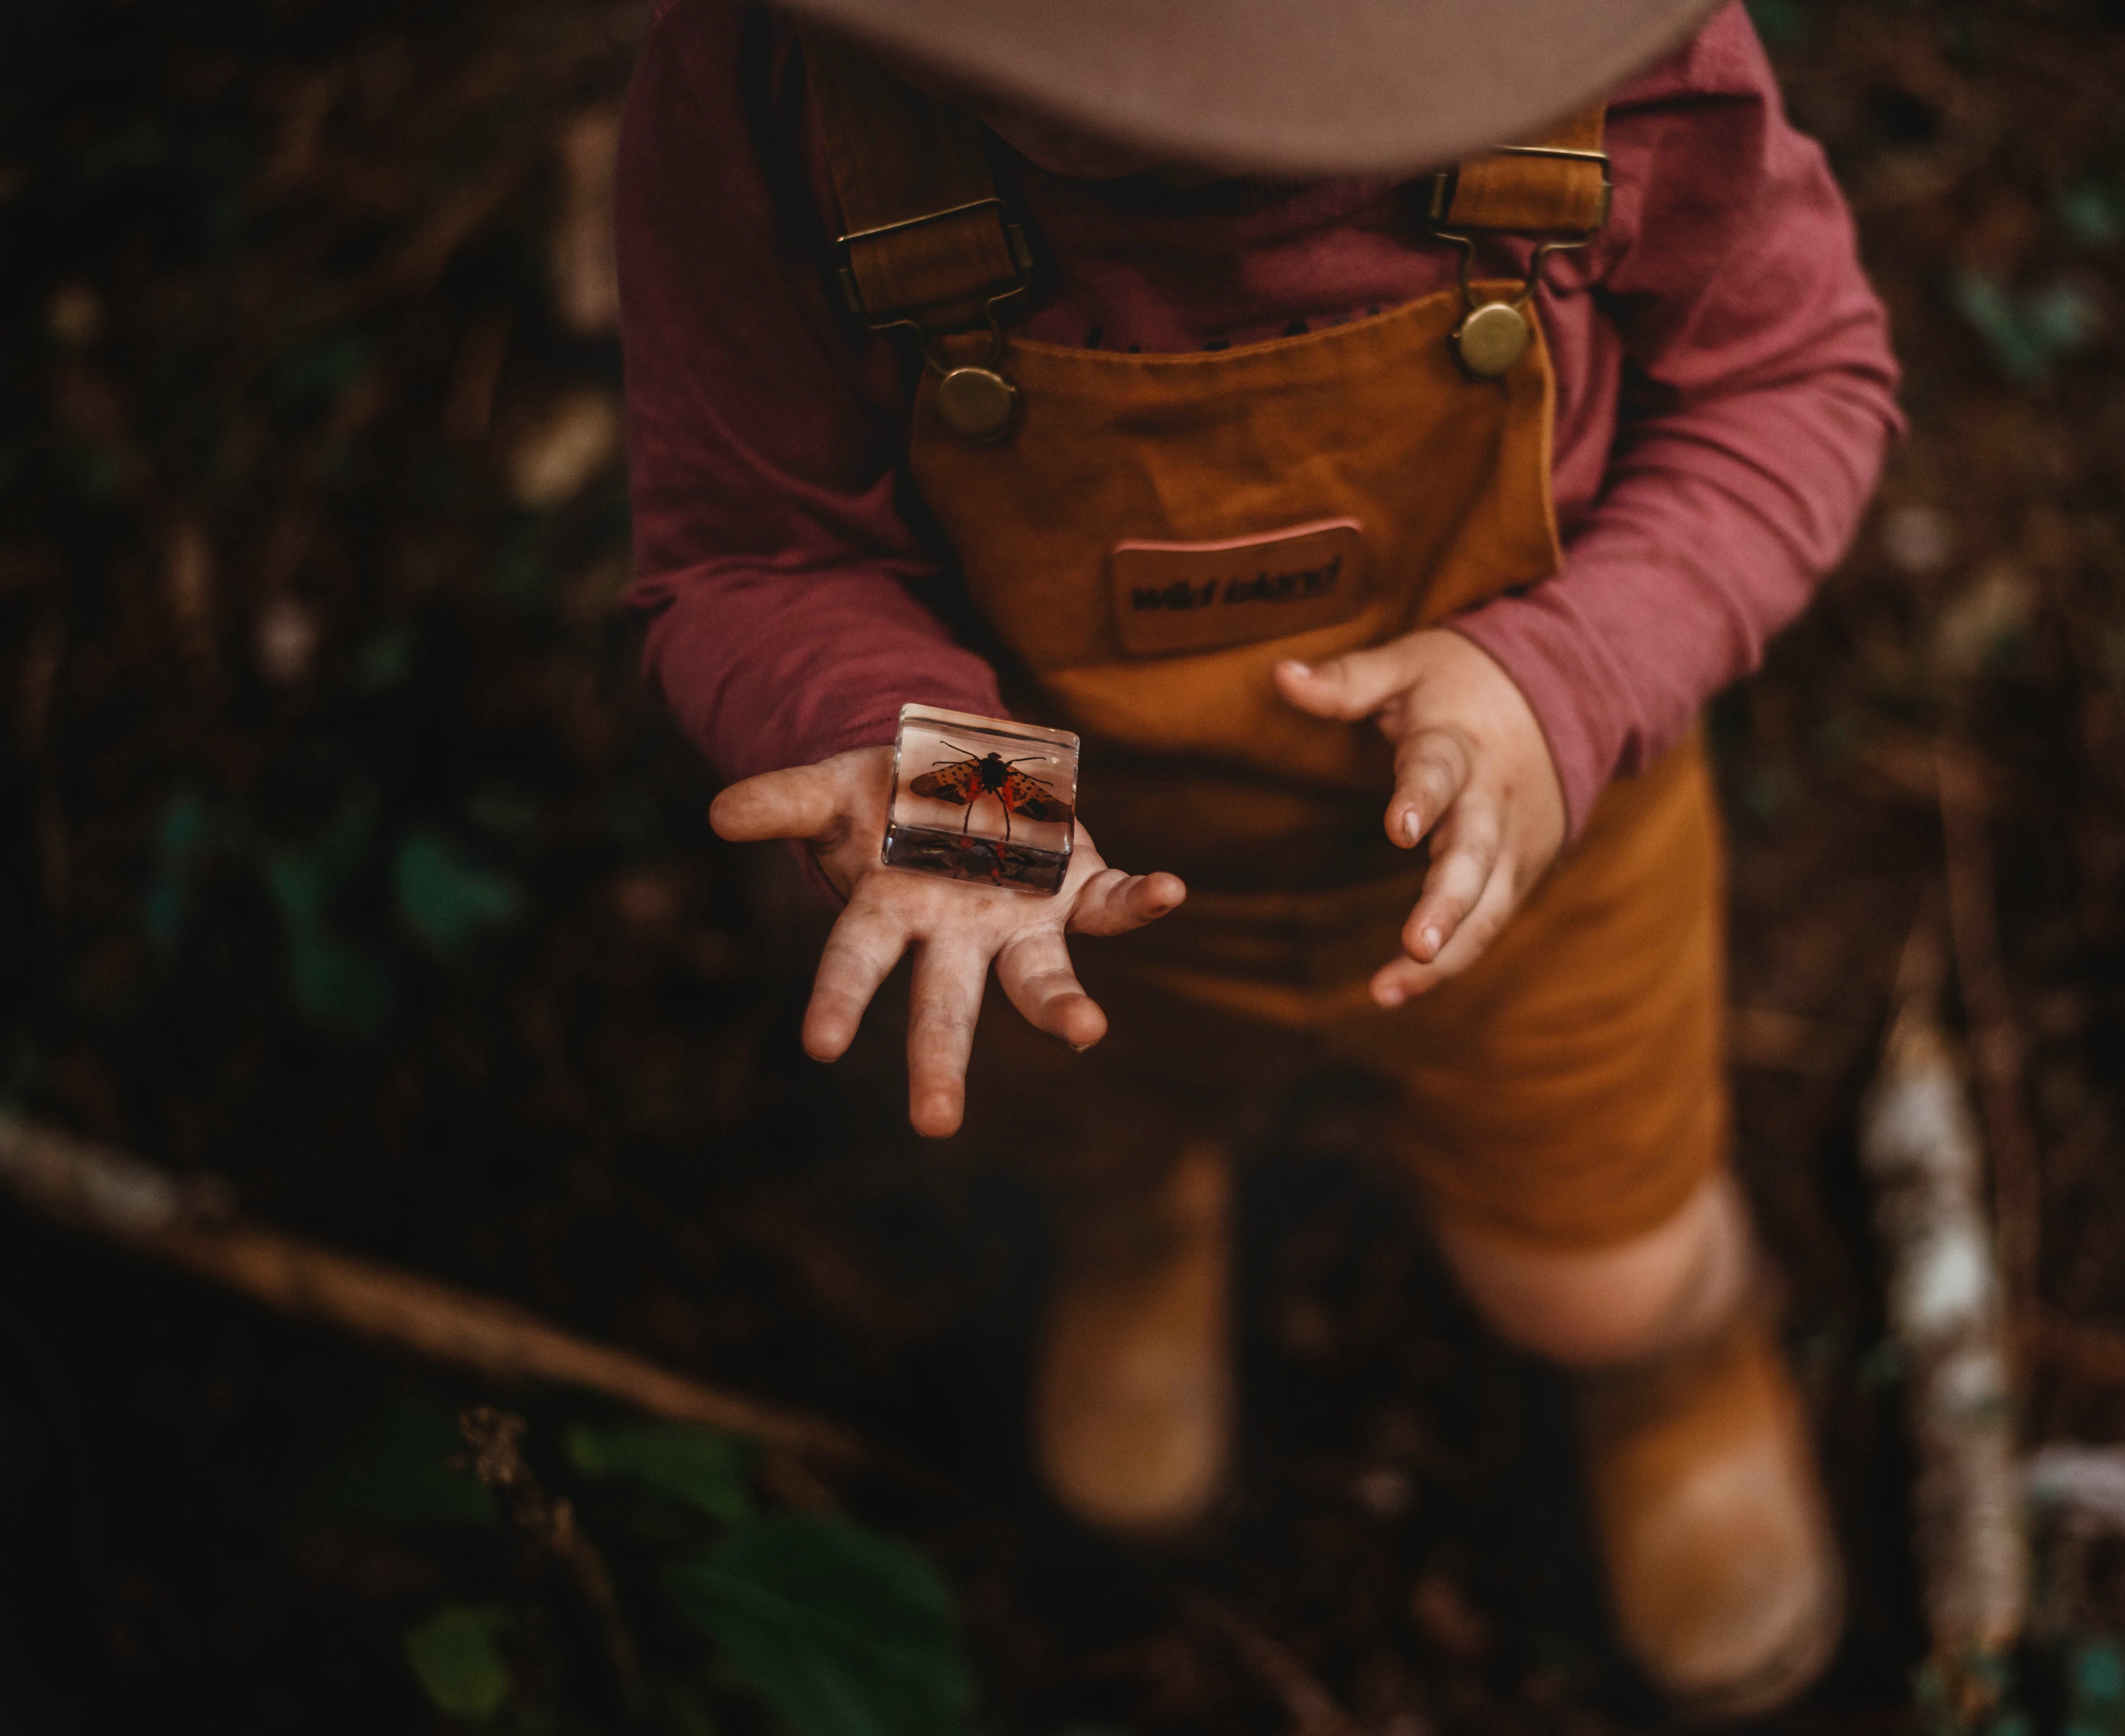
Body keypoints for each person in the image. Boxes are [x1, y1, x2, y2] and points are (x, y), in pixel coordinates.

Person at [617, 0, 1900, 1712]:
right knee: (1083, 1125)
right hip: (1052, 879)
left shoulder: (1613, 59)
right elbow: (753, 540)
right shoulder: (785, 91)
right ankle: (1142, 1229)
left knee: (1599, 1257)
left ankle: (1662, 1360)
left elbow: (1798, 378)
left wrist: (1572, 669)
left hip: (1533, 867)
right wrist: (919, 765)